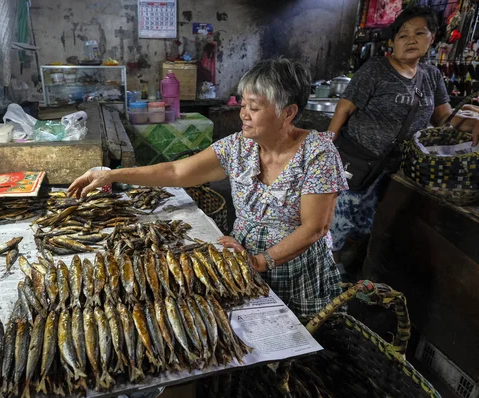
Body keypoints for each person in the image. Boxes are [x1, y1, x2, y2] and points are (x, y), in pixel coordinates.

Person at [68, 58, 349, 316]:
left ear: (288, 112)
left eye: (254, 107)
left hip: (296, 267)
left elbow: (315, 228)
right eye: (242, 105)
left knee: (303, 342)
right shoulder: (238, 147)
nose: (244, 115)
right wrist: (111, 175)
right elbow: (176, 171)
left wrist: (262, 261)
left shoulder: (318, 153)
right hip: (243, 256)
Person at [328, 6, 479, 267]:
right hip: (355, 161)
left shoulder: (432, 76)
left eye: (419, 33)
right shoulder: (376, 70)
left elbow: (443, 118)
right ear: (393, 41)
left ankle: (346, 274)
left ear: (432, 38)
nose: (410, 40)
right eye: (402, 35)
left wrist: (471, 124)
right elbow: (345, 108)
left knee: (366, 225)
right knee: (337, 223)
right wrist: (325, 149)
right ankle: (326, 277)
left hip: (393, 167)